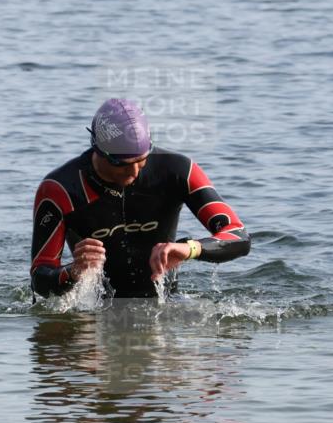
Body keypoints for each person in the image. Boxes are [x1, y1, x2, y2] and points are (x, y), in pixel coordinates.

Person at [30, 98, 250, 299]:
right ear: (98, 150)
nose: (134, 172)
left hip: (164, 303)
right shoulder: (60, 188)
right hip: (97, 310)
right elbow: (40, 277)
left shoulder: (177, 171)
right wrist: (74, 271)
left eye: (142, 160)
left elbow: (238, 236)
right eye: (123, 164)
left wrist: (190, 249)